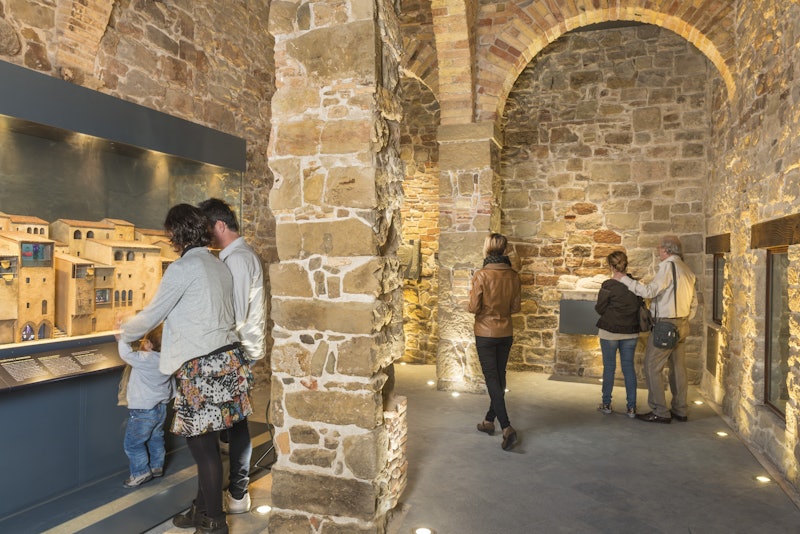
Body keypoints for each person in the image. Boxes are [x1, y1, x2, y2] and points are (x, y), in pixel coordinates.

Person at [121, 204, 251, 534]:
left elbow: (153, 314)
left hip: (202, 368)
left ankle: (214, 523)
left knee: (204, 450)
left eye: (170, 234)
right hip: (228, 362)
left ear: (176, 234)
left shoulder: (182, 268)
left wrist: (125, 330)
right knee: (209, 447)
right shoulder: (217, 264)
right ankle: (202, 509)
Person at [199, 198, 266, 514]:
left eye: (206, 228)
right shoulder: (238, 256)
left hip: (235, 351)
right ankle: (233, 492)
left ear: (220, 225)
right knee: (233, 422)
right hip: (238, 349)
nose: (204, 235)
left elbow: (235, 314)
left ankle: (238, 495)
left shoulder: (237, 259)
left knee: (237, 424)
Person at [613, 235, 697, 424]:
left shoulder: (668, 267)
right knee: (678, 368)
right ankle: (680, 410)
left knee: (651, 366)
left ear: (666, 249)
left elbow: (649, 291)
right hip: (682, 323)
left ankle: (660, 411)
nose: (658, 250)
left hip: (666, 325)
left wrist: (623, 279)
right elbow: (694, 302)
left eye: (659, 248)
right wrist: (682, 320)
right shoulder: (686, 269)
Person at [468, 233, 522, 450]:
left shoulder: (481, 275)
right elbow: (515, 308)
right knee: (499, 376)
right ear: (504, 249)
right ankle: (489, 421)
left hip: (485, 332)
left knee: (492, 378)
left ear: (488, 248)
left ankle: (507, 427)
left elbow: (473, 307)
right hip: (505, 331)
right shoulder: (514, 276)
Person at [117, 324, 173, 488]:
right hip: (161, 409)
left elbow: (126, 354)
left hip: (143, 411)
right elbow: (171, 386)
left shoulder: (145, 358)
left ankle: (140, 472)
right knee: (156, 437)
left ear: (148, 344)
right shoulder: (169, 361)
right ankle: (157, 467)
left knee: (133, 444)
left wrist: (121, 338)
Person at [595, 251, 640, 418]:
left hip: (610, 332)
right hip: (631, 332)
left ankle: (606, 404)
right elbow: (638, 306)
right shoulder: (635, 284)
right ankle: (631, 408)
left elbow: (600, 308)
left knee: (609, 368)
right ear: (625, 264)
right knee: (629, 368)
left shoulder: (608, 285)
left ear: (611, 266)